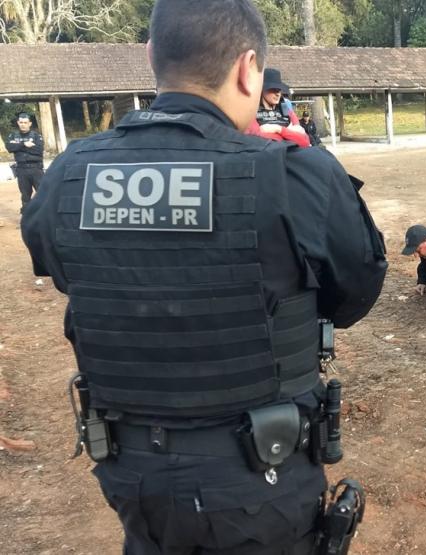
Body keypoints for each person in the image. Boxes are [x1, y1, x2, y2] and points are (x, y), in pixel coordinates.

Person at [20, 0, 388, 552]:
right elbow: (352, 297)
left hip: (133, 474)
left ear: (152, 56)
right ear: (247, 68)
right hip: (262, 476)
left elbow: (68, 274)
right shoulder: (295, 174)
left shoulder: (69, 174)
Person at [245, 67, 311, 148]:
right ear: (262, 89)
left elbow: (305, 141)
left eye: (279, 90)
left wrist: (278, 129)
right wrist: (290, 133)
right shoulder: (251, 113)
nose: (278, 94)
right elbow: (257, 141)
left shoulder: (288, 112)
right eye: (273, 89)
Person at [4, 112, 44, 214]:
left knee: (43, 194)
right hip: (21, 170)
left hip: (36, 169)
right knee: (25, 196)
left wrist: (18, 146)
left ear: (30, 123)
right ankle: (26, 219)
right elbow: (9, 148)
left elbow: (38, 150)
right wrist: (25, 144)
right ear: (18, 122)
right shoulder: (13, 135)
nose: (23, 124)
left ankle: (43, 217)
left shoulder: (36, 135)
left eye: (25, 122)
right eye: (21, 122)